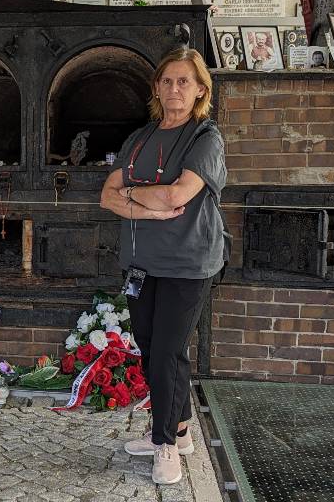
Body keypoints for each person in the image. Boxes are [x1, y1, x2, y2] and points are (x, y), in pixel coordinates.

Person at [99, 46, 226, 485]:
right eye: (168, 80)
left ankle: (165, 444)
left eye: (184, 81)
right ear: (157, 87)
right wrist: (147, 207)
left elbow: (178, 195)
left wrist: (134, 197)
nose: (175, 88)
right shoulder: (139, 137)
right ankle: (183, 430)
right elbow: (106, 194)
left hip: (188, 264)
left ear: (199, 90)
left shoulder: (205, 138)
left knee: (166, 354)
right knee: (155, 349)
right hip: (141, 263)